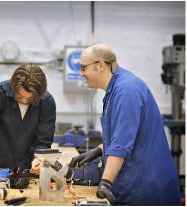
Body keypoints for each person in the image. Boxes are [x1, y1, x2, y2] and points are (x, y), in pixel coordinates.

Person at [69, 43, 181, 205]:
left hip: (146, 189)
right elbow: (123, 133)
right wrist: (99, 150)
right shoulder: (115, 90)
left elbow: (121, 143)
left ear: (100, 66)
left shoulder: (126, 91)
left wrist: (105, 182)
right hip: (132, 182)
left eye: (83, 67)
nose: (81, 73)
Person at [0, 63, 56, 176]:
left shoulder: (47, 102)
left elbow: (43, 142)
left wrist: (39, 159)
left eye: (30, 98)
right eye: (20, 96)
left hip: (27, 171)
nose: (24, 101)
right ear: (13, 87)